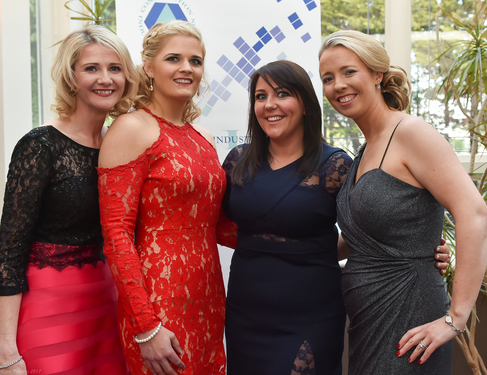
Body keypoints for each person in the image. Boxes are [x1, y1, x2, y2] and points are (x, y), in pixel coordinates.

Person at [221, 59, 452, 375]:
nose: (270, 105)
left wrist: (424, 247)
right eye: (261, 97)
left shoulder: (336, 166)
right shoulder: (237, 161)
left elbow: (370, 229)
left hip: (311, 310)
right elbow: (215, 227)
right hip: (245, 309)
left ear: (305, 103)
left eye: (282, 94)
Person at [319, 29, 487, 374]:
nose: (338, 85)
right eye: (328, 78)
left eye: (349, 71)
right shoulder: (366, 149)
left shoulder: (411, 133)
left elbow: (474, 213)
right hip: (367, 323)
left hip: (409, 319)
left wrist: (455, 318)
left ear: (377, 74)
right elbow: (362, 239)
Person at [97, 21, 234, 375]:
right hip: (159, 306)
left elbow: (217, 225)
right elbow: (116, 235)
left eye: (196, 61)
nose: (187, 68)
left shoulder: (201, 136)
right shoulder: (131, 128)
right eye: (174, 58)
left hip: (209, 300)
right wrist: (145, 326)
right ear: (149, 67)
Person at [0, 25, 138, 374]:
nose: (105, 78)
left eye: (115, 68)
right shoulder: (40, 145)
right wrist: (5, 352)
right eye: (91, 68)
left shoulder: (123, 144)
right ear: (71, 77)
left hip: (107, 307)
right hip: (47, 309)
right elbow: (9, 252)